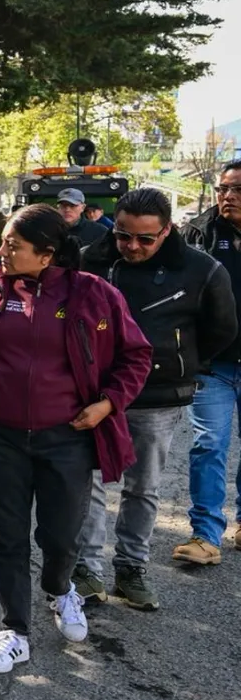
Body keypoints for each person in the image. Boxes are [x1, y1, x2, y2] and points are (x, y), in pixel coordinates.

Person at [0, 203, 151, 674]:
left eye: (14, 245)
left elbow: (136, 355)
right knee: (6, 535)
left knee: (59, 536)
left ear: (48, 254)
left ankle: (60, 589)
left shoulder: (94, 294)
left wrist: (108, 403)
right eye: (4, 243)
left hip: (67, 439)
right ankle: (15, 630)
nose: (2, 251)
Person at [75, 189, 236, 610]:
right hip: (91, 393)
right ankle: (87, 569)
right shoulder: (90, 259)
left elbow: (221, 329)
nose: (132, 247)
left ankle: (131, 568)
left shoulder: (202, 270)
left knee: (143, 486)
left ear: (168, 230)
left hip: (156, 396)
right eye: (124, 236)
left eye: (146, 239)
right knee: (85, 482)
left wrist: (183, 362)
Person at [181, 159, 241, 562]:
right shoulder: (198, 234)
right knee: (209, 445)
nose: (227, 196)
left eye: (236, 189)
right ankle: (205, 536)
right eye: (223, 189)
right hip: (213, 364)